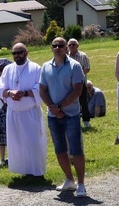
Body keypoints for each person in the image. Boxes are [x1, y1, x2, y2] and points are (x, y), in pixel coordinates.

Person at [39, 37, 87, 197]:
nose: (58, 48)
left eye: (61, 45)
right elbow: (42, 90)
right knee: (60, 150)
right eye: (55, 45)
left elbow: (77, 91)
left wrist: (59, 107)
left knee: (76, 149)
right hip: (53, 116)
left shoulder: (75, 66)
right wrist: (52, 108)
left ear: (66, 48)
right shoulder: (45, 67)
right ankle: (69, 180)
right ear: (51, 48)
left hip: (71, 114)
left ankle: (81, 184)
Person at [0, 43, 47, 177]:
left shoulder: (36, 68)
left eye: (19, 52)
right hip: (13, 113)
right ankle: (22, 171)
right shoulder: (8, 69)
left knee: (33, 142)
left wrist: (25, 93)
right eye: (14, 53)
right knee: (17, 143)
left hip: (30, 112)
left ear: (26, 52)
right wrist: (9, 93)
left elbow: (41, 88)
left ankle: (36, 171)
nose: (17, 55)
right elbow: (0, 87)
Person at [67, 38, 91, 128]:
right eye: (70, 45)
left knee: (83, 102)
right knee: (71, 102)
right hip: (69, 84)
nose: (72, 46)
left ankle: (86, 121)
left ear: (78, 46)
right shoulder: (66, 56)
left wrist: (76, 75)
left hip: (81, 83)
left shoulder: (83, 56)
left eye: (74, 44)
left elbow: (87, 69)